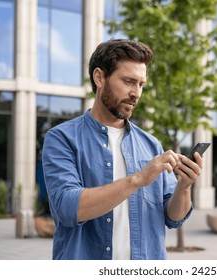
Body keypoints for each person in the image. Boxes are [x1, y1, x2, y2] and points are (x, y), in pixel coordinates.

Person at [42, 39, 203, 260]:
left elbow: (174, 218)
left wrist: (184, 186)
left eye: (141, 84)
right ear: (99, 77)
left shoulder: (151, 144)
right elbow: (68, 208)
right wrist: (137, 179)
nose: (136, 93)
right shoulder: (61, 138)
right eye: (128, 81)